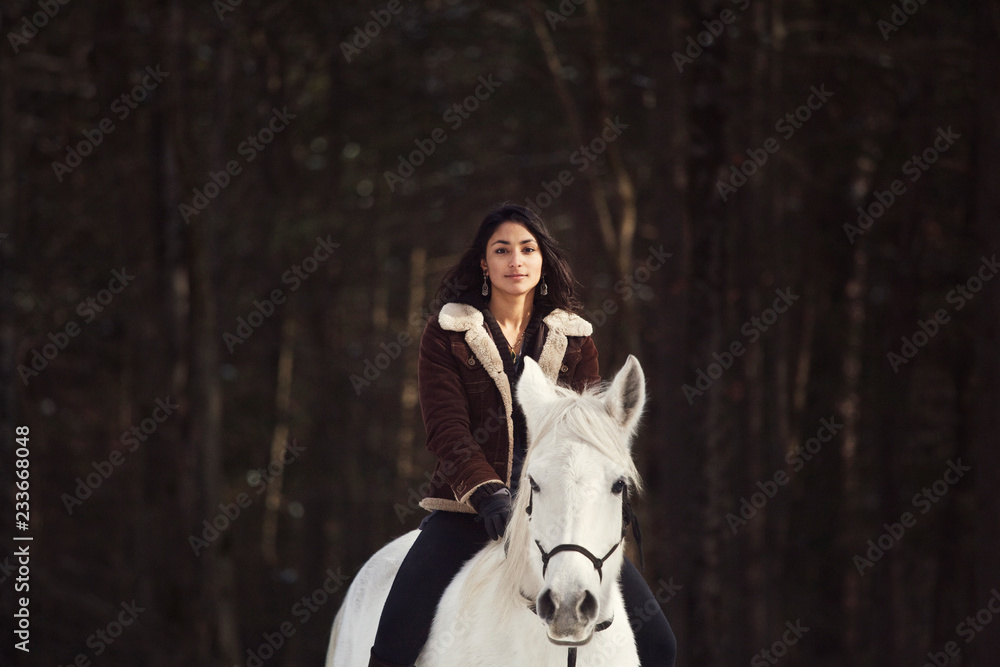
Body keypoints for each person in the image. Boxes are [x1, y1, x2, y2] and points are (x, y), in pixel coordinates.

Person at [369, 204, 676, 666]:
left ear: (542, 261)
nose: (516, 260)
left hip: (555, 513)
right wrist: (487, 493)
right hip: (468, 512)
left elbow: (584, 439)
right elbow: (446, 428)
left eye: (527, 249)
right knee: (393, 644)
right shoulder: (446, 334)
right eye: (502, 250)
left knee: (658, 645)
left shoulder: (574, 340)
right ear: (484, 263)